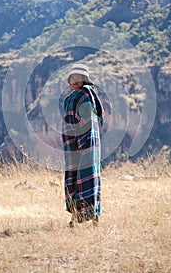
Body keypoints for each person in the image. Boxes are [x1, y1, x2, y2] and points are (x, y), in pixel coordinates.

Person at [62, 63, 104, 227]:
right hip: (73, 142)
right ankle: (75, 217)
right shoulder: (70, 97)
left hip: (86, 142)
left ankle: (92, 217)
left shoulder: (86, 95)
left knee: (86, 176)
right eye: (72, 78)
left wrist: (80, 136)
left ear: (84, 80)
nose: (74, 81)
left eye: (78, 78)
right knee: (74, 178)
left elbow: (88, 122)